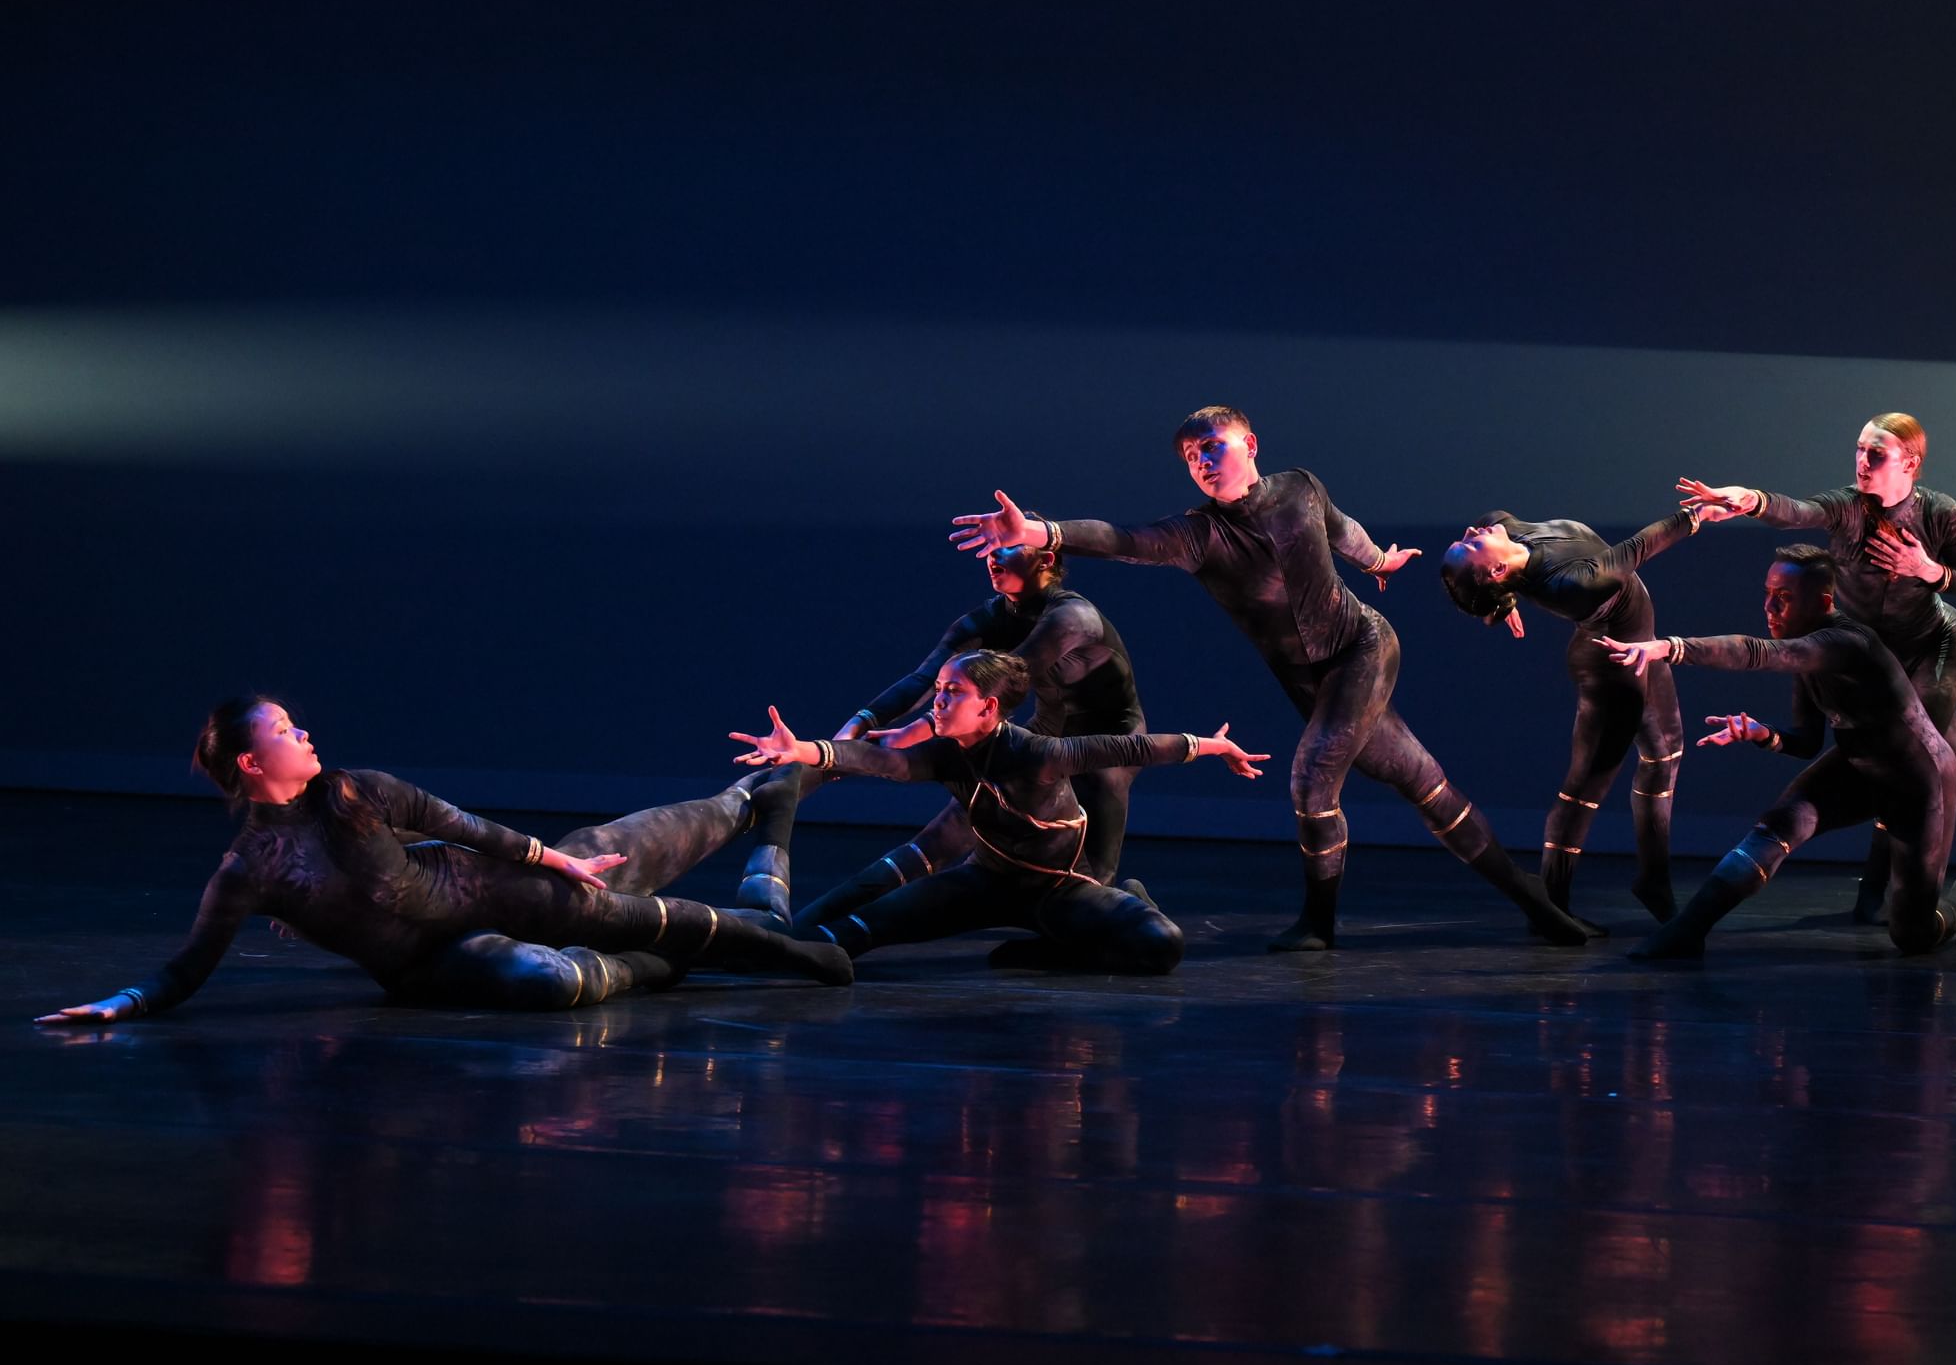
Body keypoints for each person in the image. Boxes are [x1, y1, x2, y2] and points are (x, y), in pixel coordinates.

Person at [949, 406, 1600, 952]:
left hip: (1363, 648)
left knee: (1313, 774)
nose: (1201, 460)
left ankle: (1318, 924)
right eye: (1189, 456)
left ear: (1249, 445)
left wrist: (1377, 560)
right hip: (1312, 680)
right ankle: (1537, 905)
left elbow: (1342, 529)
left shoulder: (1298, 488)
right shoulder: (1196, 536)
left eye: (1212, 446)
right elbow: (1122, 539)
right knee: (1423, 782)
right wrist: (1044, 530)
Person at [35, 696, 849, 1026]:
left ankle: (767, 819)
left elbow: (465, 826)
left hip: (510, 887)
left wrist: (552, 864)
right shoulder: (249, 870)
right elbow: (185, 969)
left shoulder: (359, 789)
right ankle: (667, 958)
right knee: (555, 979)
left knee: (645, 861)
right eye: (284, 730)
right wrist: (120, 1005)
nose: (303, 732)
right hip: (442, 959)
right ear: (250, 765)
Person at [1679, 411, 1956, 917]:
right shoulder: (1849, 508)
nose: (1862, 461)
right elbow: (1797, 510)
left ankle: (1876, 892)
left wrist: (1926, 568)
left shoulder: (1939, 512)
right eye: (1859, 450)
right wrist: (1750, 501)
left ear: (1910, 463)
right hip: (1879, 653)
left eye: (1876, 453)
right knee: (1955, 760)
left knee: (1906, 754)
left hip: (1937, 646)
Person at [729, 651, 1265, 974]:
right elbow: (884, 762)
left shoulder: (1038, 754)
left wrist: (1215, 748)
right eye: (937, 691)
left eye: (951, 693)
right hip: (981, 883)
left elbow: (1131, 749)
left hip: (1058, 891)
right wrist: (803, 750)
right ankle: (728, 946)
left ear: (988, 706)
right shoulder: (945, 754)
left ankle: (1068, 941)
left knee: (1162, 945)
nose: (937, 703)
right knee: (845, 936)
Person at [1600, 546, 1956, 960]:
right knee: (1774, 830)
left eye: (1783, 597)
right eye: (1768, 593)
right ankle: (1688, 930)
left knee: (1912, 935)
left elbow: (1759, 653)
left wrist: (1672, 647)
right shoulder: (1808, 654)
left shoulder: (1848, 641)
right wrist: (1762, 734)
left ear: (1822, 602)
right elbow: (1806, 742)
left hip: (1919, 780)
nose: (1769, 607)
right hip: (1856, 767)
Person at [742, 542, 1147, 932]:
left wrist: (918, 730)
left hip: (1107, 744)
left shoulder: (1073, 616)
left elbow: (1008, 675)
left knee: (1091, 887)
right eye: (990, 548)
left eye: (1006, 545)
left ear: (1045, 558)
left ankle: (1115, 906)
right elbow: (925, 679)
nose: (992, 557)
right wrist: (858, 725)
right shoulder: (989, 618)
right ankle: (796, 931)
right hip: (1043, 738)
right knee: (934, 845)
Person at [1439, 507, 1697, 920]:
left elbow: (1490, 525)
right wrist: (1696, 516)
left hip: (1643, 651)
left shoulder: (1506, 530)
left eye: (1466, 538)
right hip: (1609, 666)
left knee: (1664, 756)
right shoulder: (1570, 585)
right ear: (1498, 569)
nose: (1471, 530)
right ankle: (1552, 907)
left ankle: (1653, 880)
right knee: (1585, 788)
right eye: (1470, 545)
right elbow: (1635, 549)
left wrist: (1499, 605)